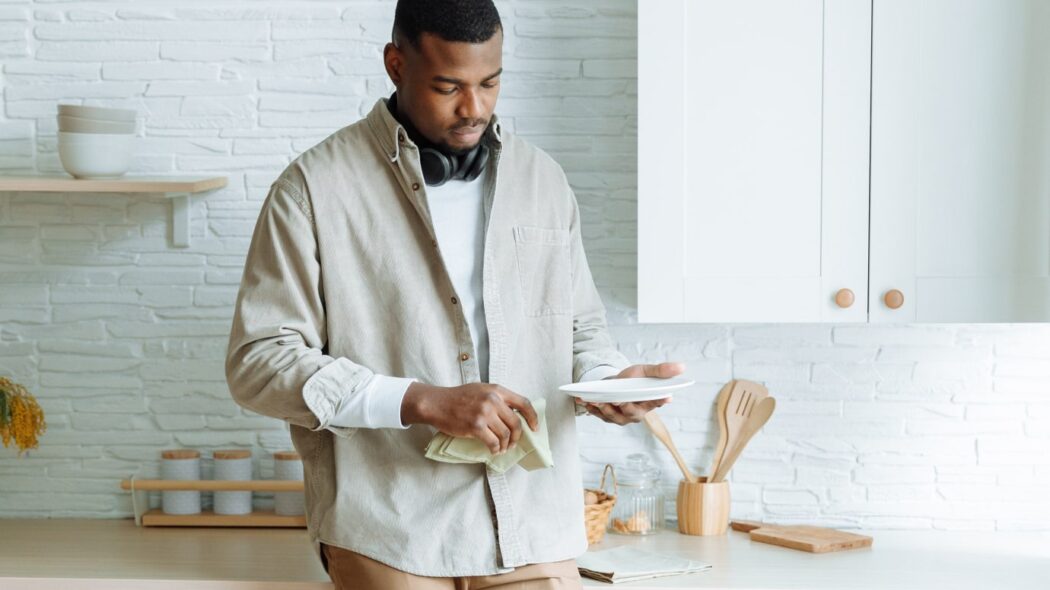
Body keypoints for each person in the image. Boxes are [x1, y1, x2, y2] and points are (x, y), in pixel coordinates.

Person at [225, 0, 685, 587]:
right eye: (449, 87)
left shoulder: (543, 180)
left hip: (534, 527)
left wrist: (607, 383)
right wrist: (422, 400)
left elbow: (579, 330)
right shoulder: (313, 189)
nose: (475, 108)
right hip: (389, 529)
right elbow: (258, 362)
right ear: (396, 64)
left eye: (490, 83)